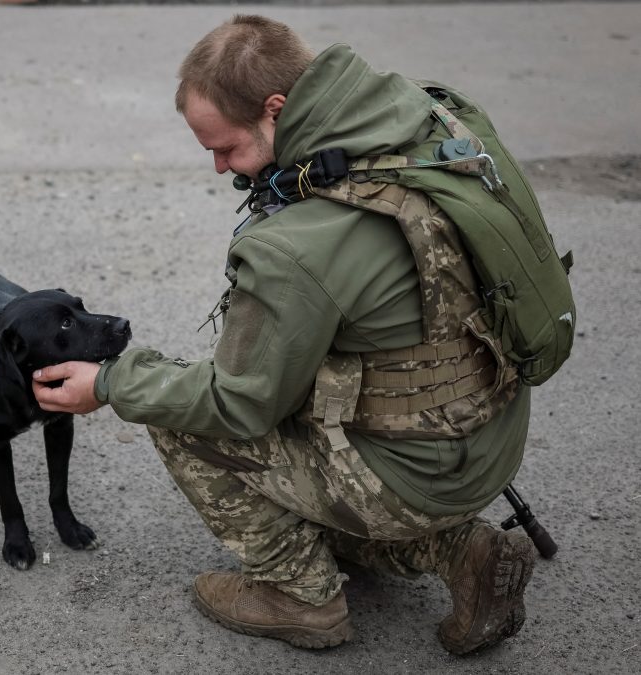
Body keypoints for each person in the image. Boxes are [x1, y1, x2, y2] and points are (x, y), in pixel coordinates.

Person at [32, 14, 539, 654]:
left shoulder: (301, 244)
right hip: (490, 439)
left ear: (276, 110)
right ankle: (465, 549)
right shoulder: (421, 122)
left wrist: (108, 382)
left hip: (415, 474)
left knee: (177, 410)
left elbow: (237, 402)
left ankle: (298, 594)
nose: (220, 168)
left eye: (227, 147)